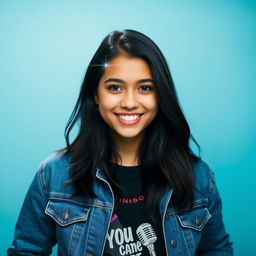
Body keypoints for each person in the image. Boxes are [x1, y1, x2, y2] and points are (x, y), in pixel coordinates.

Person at [8, 29, 233, 256]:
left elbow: (216, 250)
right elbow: (26, 251)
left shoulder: (198, 176)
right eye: (115, 87)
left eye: (145, 88)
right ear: (95, 95)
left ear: (160, 95)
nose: (129, 102)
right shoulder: (54, 174)